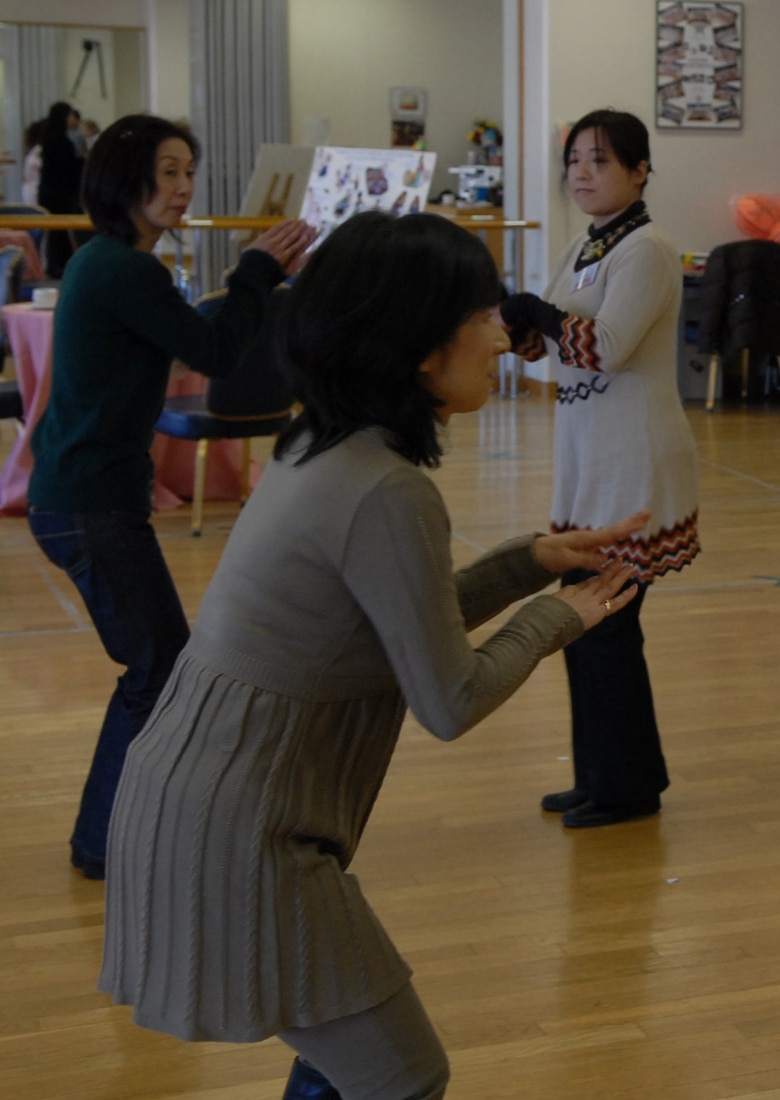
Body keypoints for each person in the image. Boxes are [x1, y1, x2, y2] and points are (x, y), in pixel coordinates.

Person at [98, 210, 648, 1100]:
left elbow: (384, 630)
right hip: (242, 833)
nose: (504, 335)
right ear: (419, 344)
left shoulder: (324, 441)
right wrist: (558, 619)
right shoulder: (385, 488)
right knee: (400, 1074)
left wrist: (527, 563)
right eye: (482, 315)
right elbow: (449, 696)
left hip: (213, 803)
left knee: (351, 1062)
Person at [27, 114, 314, 880]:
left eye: (189, 171)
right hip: (90, 504)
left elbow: (190, 330)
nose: (184, 187)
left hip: (83, 498)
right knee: (156, 667)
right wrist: (257, 272)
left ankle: (121, 830)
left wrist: (254, 282)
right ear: (127, 179)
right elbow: (213, 350)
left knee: (158, 664)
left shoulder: (109, 263)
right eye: (169, 172)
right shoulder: (124, 269)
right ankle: (102, 840)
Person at [500, 108, 698, 828]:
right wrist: (523, 328)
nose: (582, 173)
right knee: (582, 622)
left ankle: (625, 788)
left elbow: (605, 346)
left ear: (640, 170)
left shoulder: (647, 249)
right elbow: (554, 338)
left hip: (633, 459)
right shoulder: (586, 243)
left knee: (606, 624)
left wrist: (543, 321)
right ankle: (605, 777)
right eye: (575, 161)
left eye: (601, 161)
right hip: (589, 455)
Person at [35, 101, 86, 276]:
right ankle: (59, 265)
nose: (73, 119)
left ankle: (57, 264)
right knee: (61, 232)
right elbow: (67, 168)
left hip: (51, 191)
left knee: (57, 234)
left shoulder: (52, 137)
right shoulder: (60, 140)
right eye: (70, 115)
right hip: (60, 193)